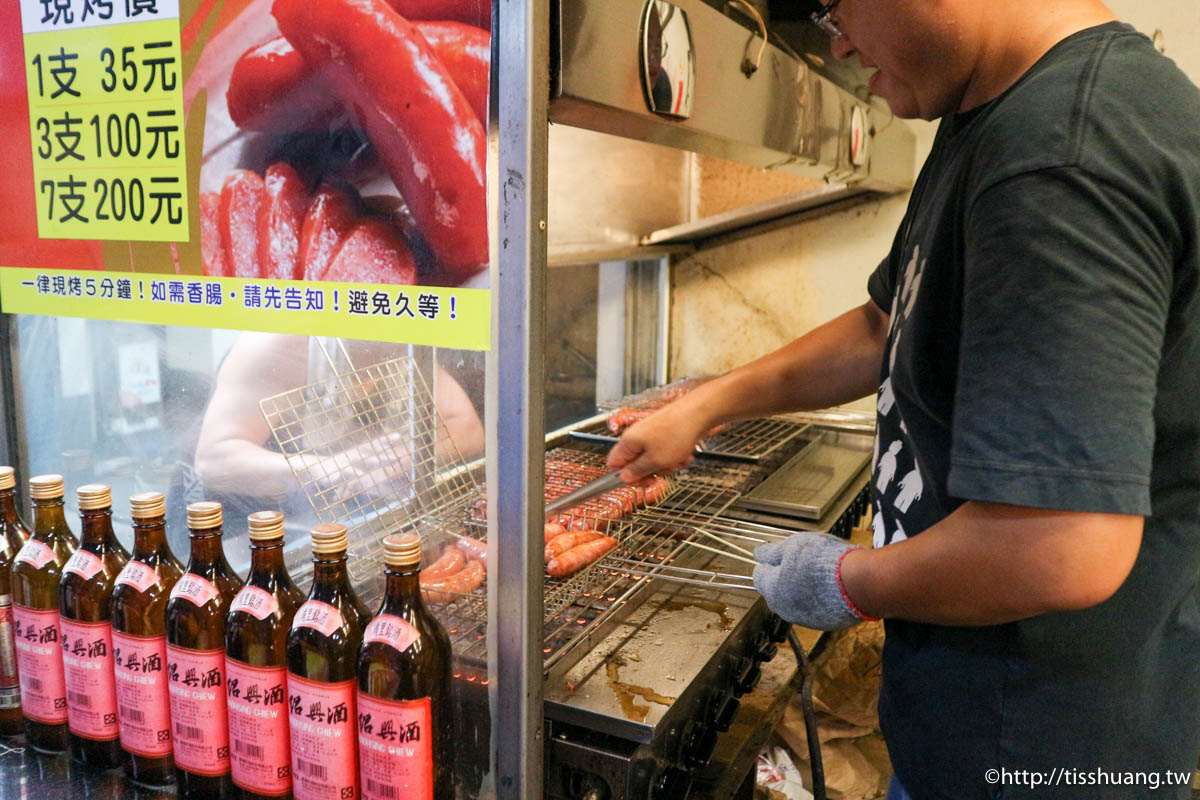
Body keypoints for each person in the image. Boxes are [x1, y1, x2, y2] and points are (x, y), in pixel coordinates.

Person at [607, 2, 1200, 798]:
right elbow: (886, 321)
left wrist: (848, 580)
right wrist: (708, 405)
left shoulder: (1062, 154)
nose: (839, 41)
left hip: (1039, 747)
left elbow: (1061, 545)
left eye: (834, 5)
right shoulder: (996, 110)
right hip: (991, 720)